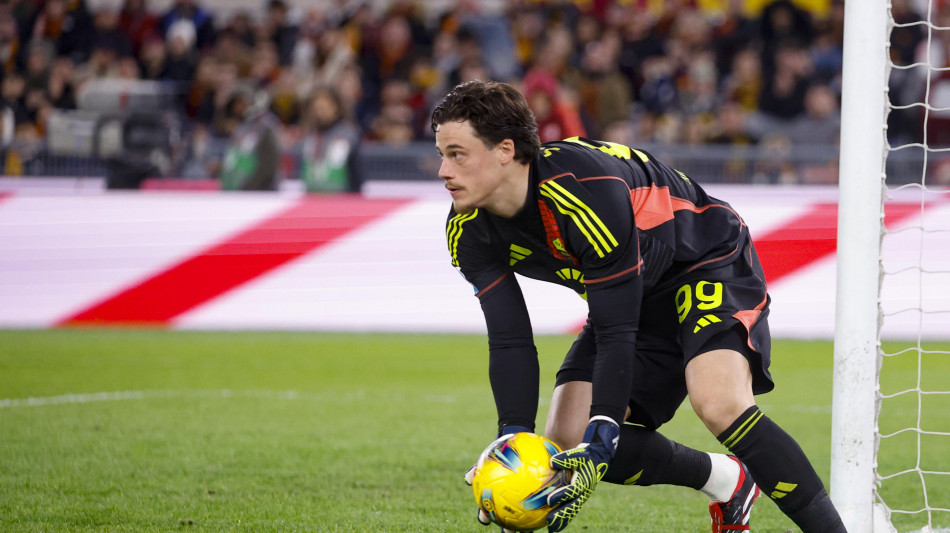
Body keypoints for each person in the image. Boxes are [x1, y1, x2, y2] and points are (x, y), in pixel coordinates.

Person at [432, 80, 846, 533]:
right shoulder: (466, 228)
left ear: (505, 151)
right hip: (632, 292)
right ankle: (727, 480)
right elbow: (510, 337)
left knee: (718, 402)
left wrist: (605, 426)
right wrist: (510, 443)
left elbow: (616, 333)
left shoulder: (581, 192)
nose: (443, 171)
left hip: (702, 260)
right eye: (442, 154)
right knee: (567, 443)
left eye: (457, 154)